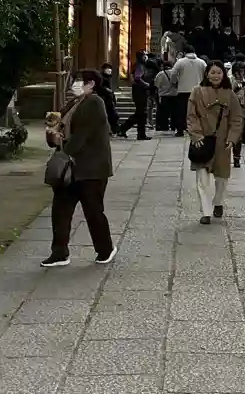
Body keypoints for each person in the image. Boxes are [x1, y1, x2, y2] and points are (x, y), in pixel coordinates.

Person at [43, 68, 116, 266]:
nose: (73, 85)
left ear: (91, 84)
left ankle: (105, 249)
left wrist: (64, 147)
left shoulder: (95, 102)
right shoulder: (74, 103)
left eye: (78, 81)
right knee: (60, 210)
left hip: (91, 168)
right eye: (73, 81)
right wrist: (53, 133)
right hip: (70, 169)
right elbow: (59, 128)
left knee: (93, 211)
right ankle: (59, 252)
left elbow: (83, 135)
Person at [186, 59, 243, 224]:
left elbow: (236, 119)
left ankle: (218, 202)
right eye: (212, 72)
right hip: (202, 140)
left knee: (222, 178)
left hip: (222, 141)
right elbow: (191, 116)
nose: (216, 75)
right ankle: (206, 212)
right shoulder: (197, 92)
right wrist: (196, 134)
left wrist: (232, 138)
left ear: (223, 75)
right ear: (207, 74)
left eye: (219, 72)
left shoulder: (230, 94)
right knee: (202, 179)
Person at [169, 45, 205, 136]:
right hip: (198, 90)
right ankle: (197, 129)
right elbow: (207, 74)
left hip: (183, 90)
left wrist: (174, 82)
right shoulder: (201, 62)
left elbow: (173, 73)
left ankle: (180, 130)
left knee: (181, 111)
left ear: (184, 52)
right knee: (197, 111)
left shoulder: (180, 62)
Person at [131, 52, 158, 140]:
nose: (146, 57)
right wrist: (146, 84)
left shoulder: (139, 65)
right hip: (140, 92)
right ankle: (141, 134)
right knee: (142, 114)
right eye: (144, 56)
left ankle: (140, 133)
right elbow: (137, 77)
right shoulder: (140, 66)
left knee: (140, 114)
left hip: (140, 92)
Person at [99, 64, 126, 138]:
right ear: (104, 70)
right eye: (107, 69)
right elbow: (101, 88)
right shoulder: (102, 78)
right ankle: (113, 131)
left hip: (109, 100)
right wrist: (106, 90)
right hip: (105, 100)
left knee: (113, 116)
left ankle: (114, 131)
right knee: (111, 116)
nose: (109, 71)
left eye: (110, 69)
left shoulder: (108, 78)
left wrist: (113, 98)